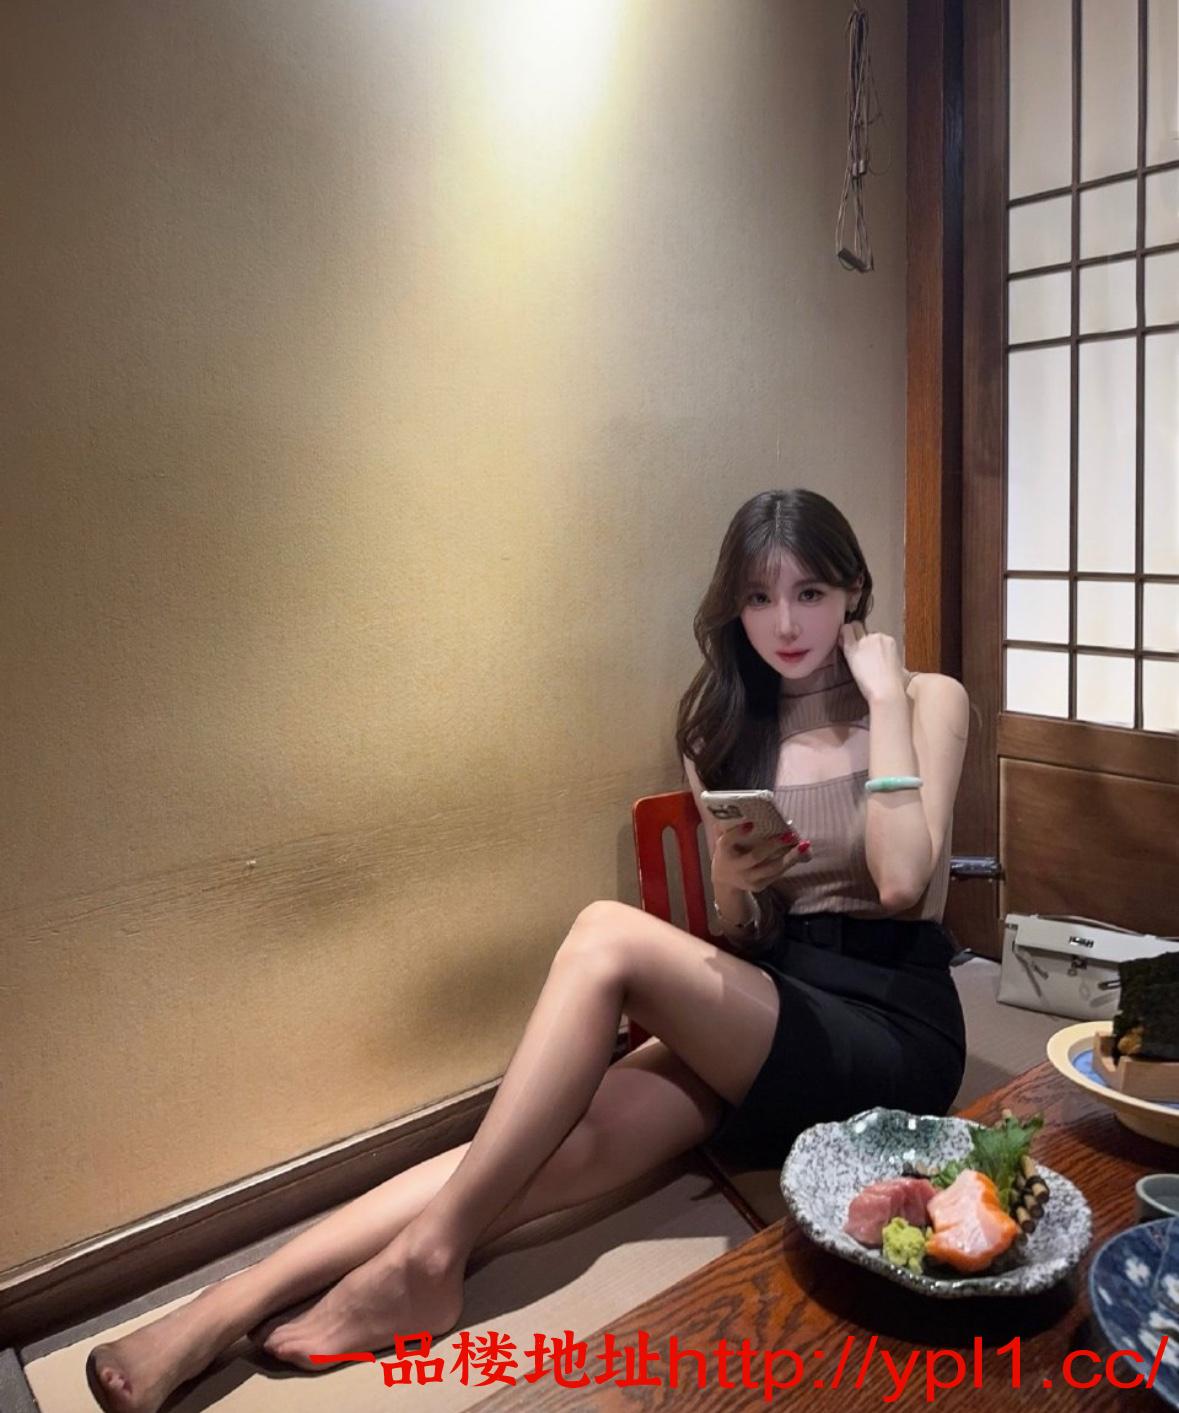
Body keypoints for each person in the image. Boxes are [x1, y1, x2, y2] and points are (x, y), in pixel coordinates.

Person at [86, 487, 969, 1413]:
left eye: (810, 593)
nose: (784, 623)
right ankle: (228, 1304)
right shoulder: (726, 727)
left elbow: (900, 881)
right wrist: (731, 877)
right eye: (758, 597)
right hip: (778, 1004)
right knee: (543, 1141)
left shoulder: (924, 700)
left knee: (603, 933)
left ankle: (426, 1263)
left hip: (892, 1030)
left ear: (853, 589)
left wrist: (883, 698)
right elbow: (743, 933)